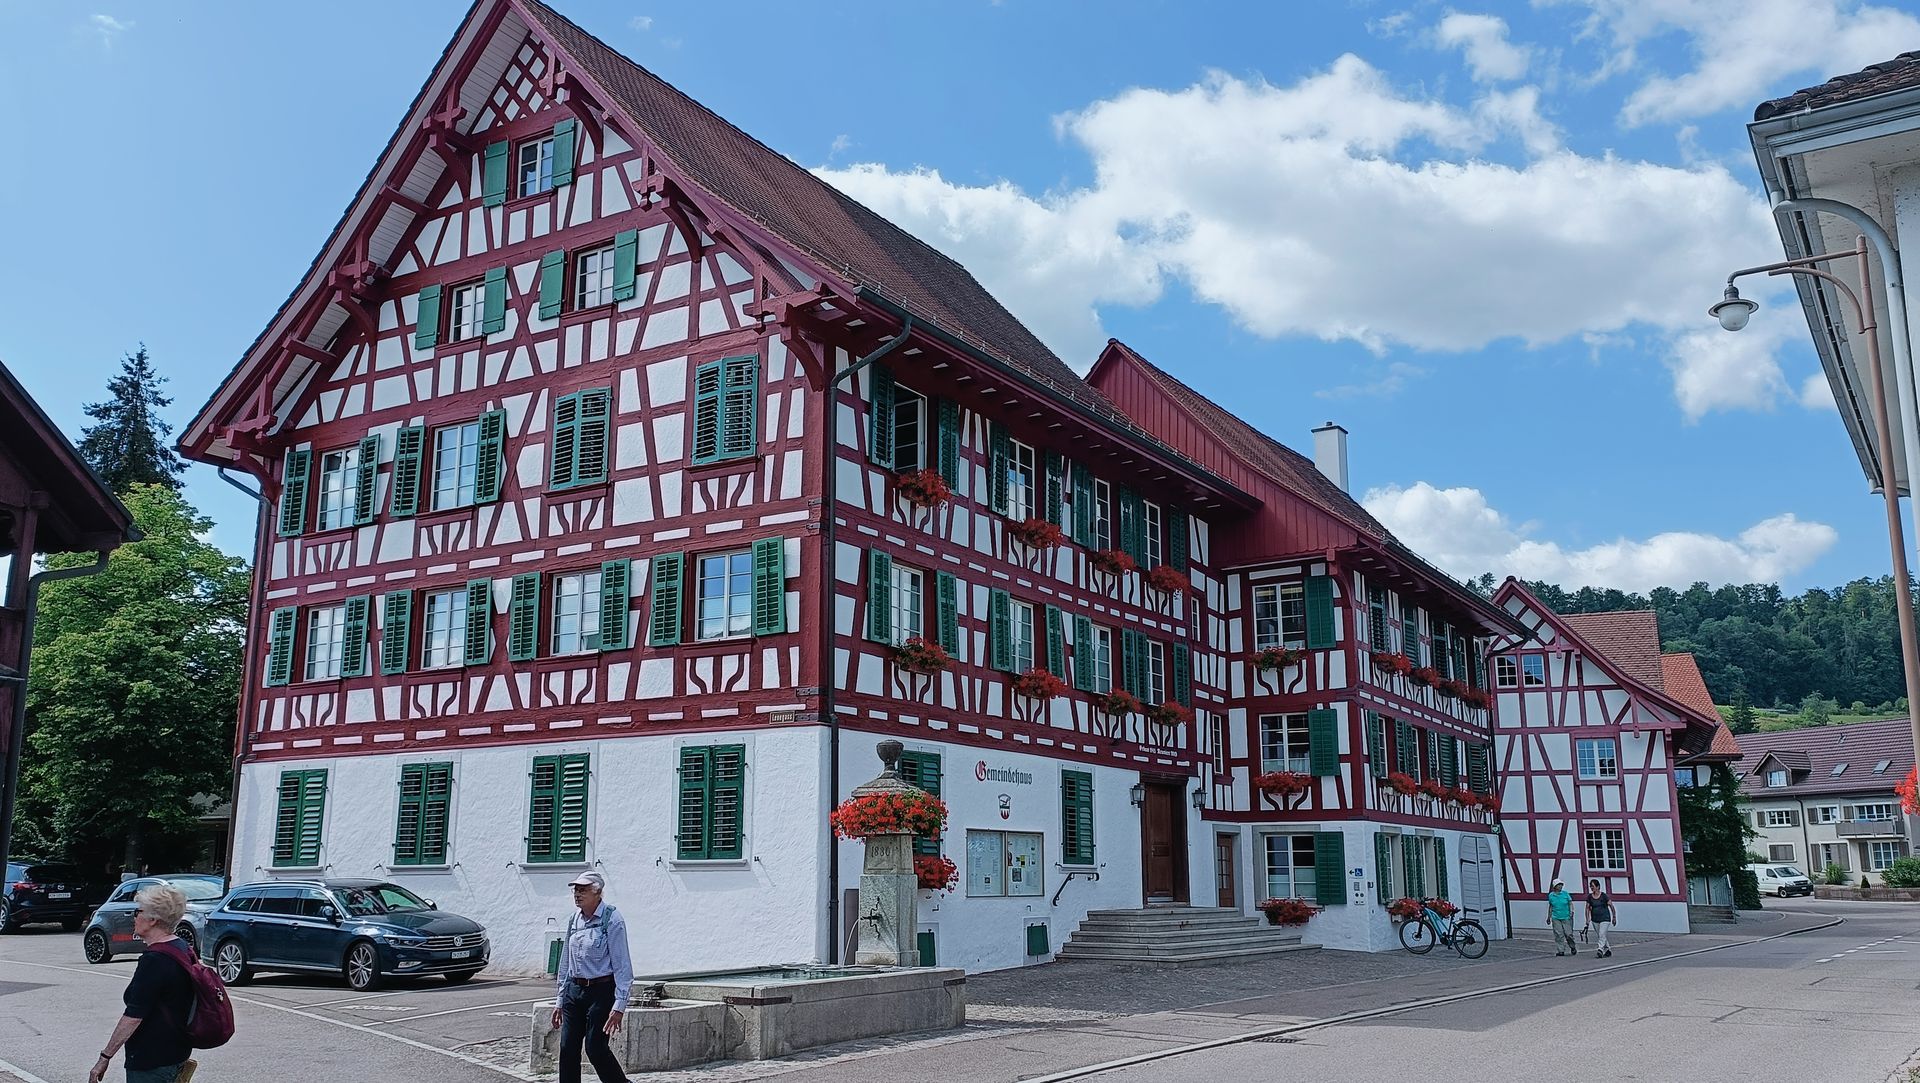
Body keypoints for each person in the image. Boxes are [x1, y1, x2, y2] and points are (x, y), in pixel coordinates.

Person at [90, 883, 198, 1083]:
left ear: (153, 920)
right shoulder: (181, 948)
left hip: (152, 1060)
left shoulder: (155, 960)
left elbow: (134, 1015)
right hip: (177, 1053)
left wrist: (105, 1057)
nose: (134, 917)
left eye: (137, 912)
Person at [551, 870, 634, 1083]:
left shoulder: (611, 919)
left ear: (597, 892)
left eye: (583, 890)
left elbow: (622, 966)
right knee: (567, 1047)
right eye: (576, 890)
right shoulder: (574, 920)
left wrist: (619, 1006)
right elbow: (565, 962)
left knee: (595, 1047)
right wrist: (560, 998)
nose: (577, 894)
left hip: (601, 991)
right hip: (574, 990)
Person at [1545, 877, 1577, 958]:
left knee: (1568, 934)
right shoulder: (1551, 895)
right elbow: (1551, 906)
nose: (1560, 886)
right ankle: (1561, 950)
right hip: (1556, 917)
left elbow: (1570, 903)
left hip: (1566, 916)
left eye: (1561, 885)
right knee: (1559, 934)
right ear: (1555, 886)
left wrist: (1571, 911)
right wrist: (1549, 917)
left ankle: (1572, 946)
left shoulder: (1565, 894)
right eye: (1559, 885)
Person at [1585, 878, 1615, 958]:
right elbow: (1587, 908)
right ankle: (1607, 949)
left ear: (1598, 886)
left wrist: (1614, 917)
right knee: (1601, 935)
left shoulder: (1603, 896)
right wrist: (1587, 919)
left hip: (1605, 918)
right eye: (1590, 886)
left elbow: (1611, 906)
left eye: (1593, 886)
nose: (1591, 888)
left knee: (1602, 933)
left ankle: (1600, 949)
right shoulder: (1590, 897)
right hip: (1595, 919)